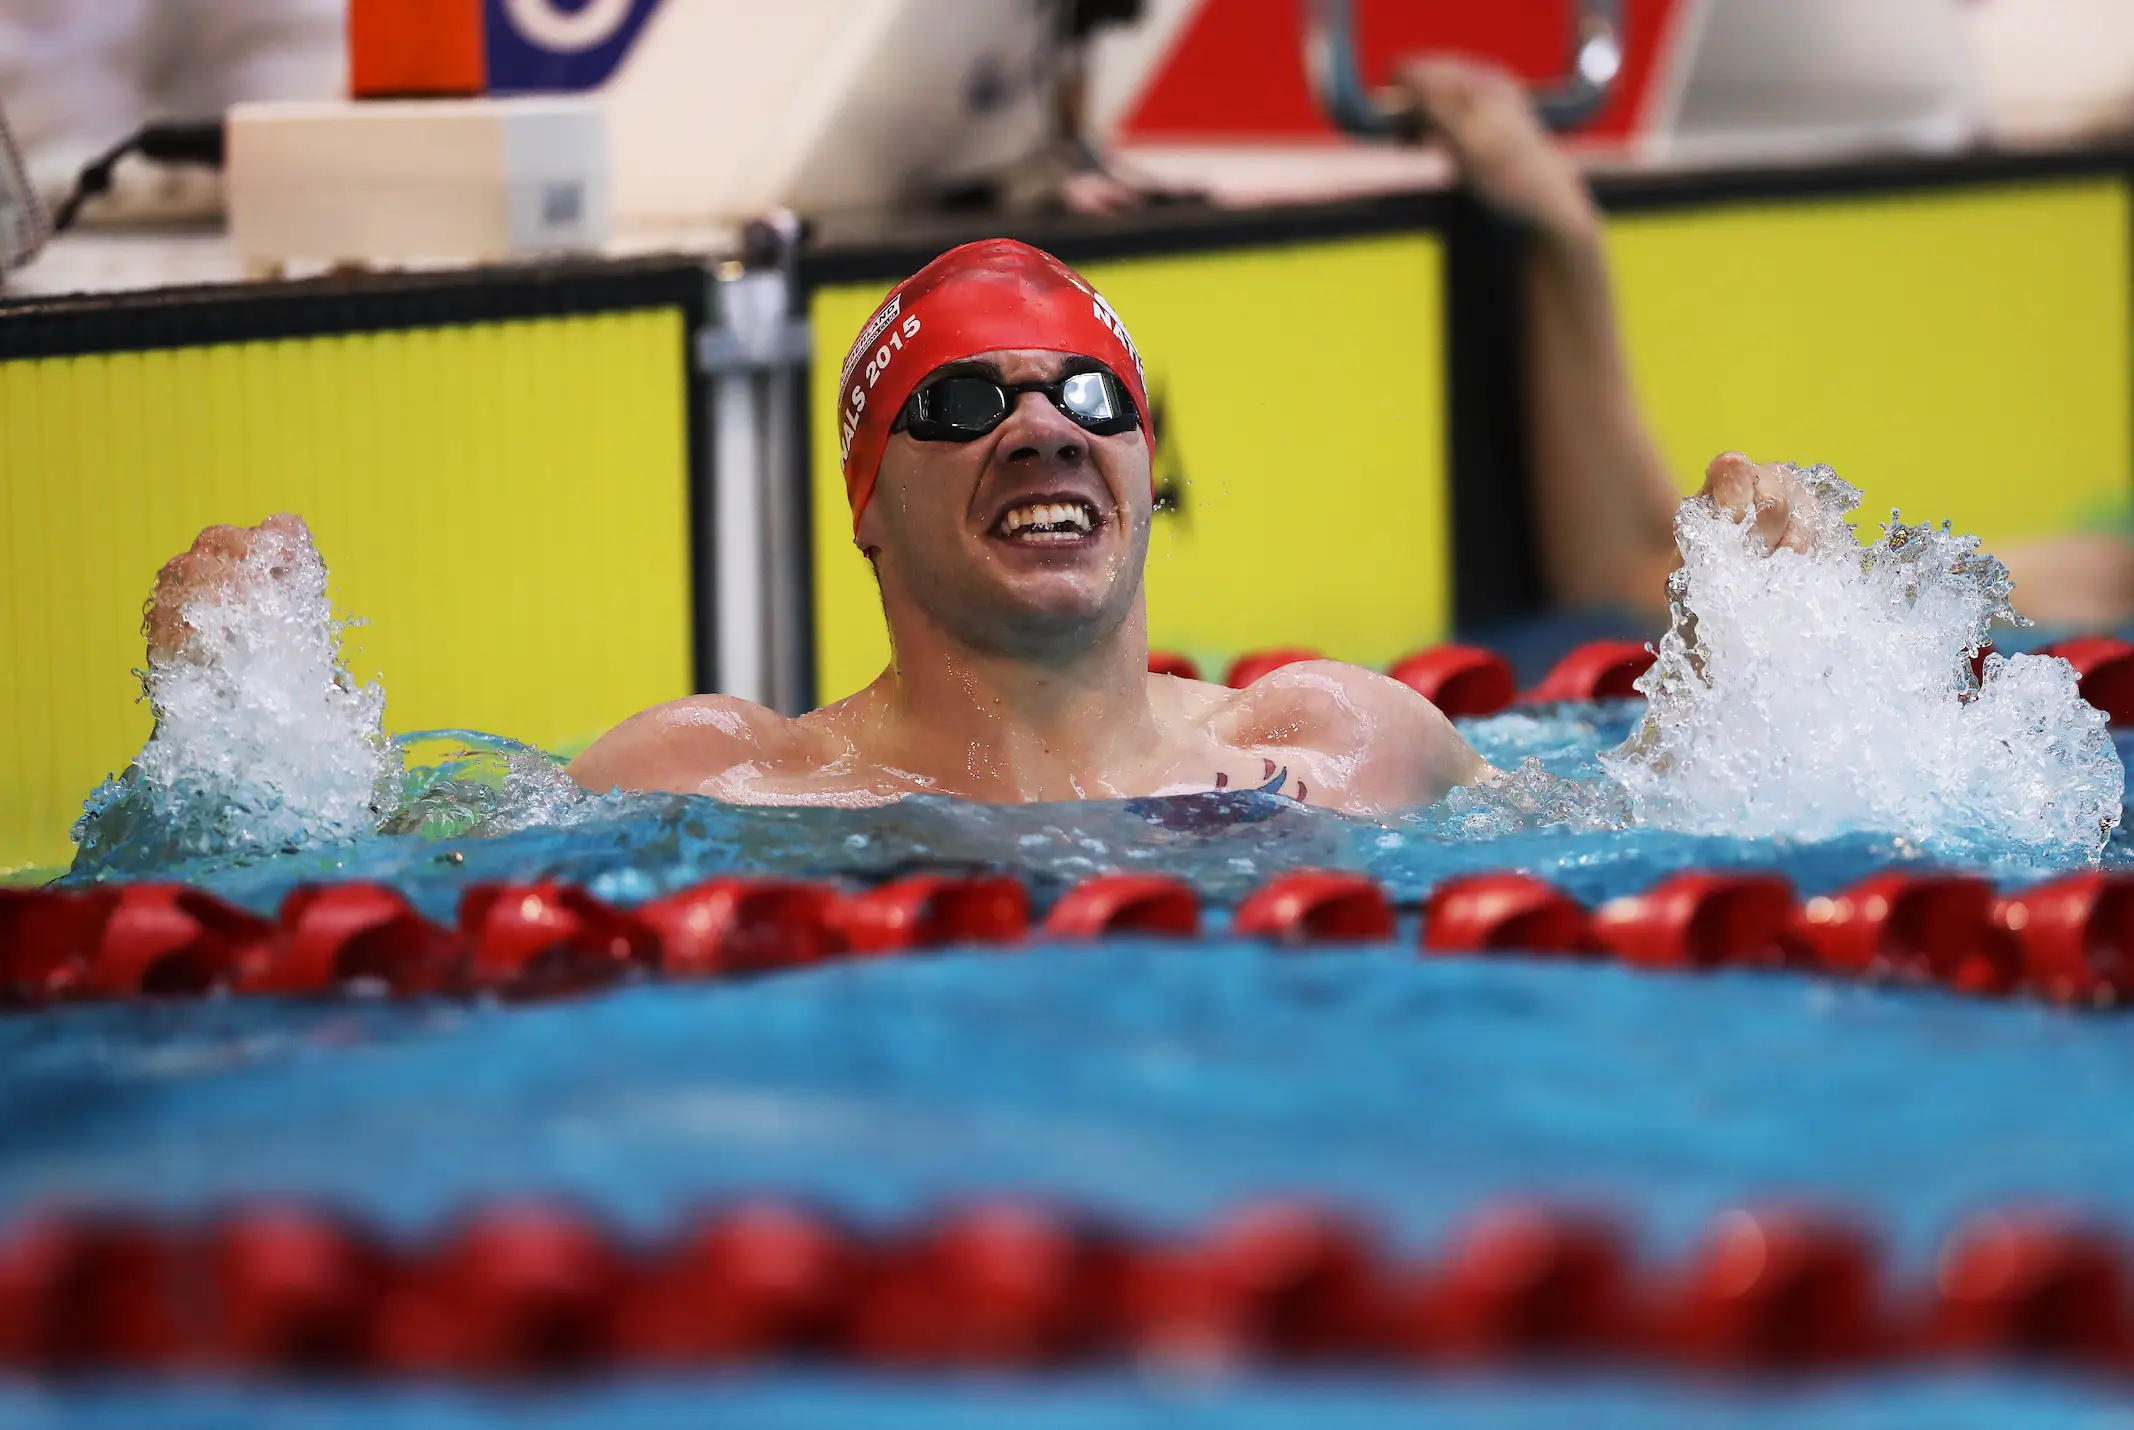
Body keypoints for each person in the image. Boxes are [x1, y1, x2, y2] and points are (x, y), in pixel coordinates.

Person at [145, 237, 1823, 817]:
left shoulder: (1344, 743)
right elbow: (352, 871)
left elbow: (1646, 828)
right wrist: (246, 721)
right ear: (867, 508)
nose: (1038, 424)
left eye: (1088, 395)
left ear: (1137, 464)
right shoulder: (721, 780)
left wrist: (1745, 672)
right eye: (956, 403)